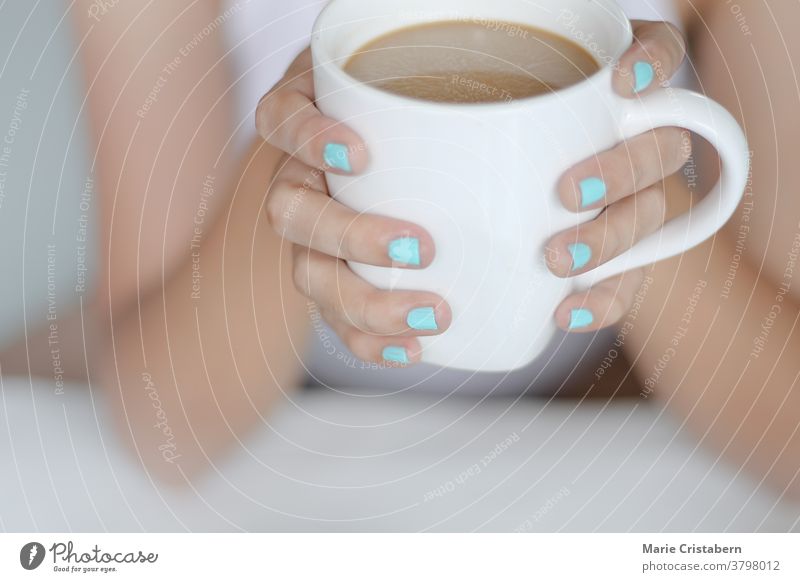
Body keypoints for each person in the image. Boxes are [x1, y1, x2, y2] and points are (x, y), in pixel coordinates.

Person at [0, 0, 795, 502]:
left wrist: (633, 189)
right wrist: (295, 164)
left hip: (604, 382)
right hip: (265, 385)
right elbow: (162, 429)